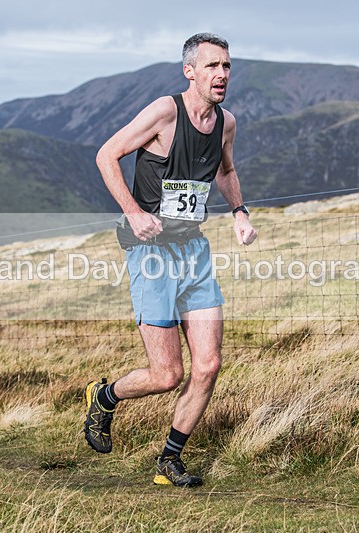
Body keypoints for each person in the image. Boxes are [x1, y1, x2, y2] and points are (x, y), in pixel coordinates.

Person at [85, 32, 257, 487]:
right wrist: (134, 212)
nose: (221, 75)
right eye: (212, 66)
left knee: (209, 364)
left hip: (193, 251)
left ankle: (169, 460)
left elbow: (226, 169)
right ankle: (104, 396)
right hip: (150, 252)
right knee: (166, 373)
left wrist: (239, 213)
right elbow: (107, 154)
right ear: (190, 71)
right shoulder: (165, 112)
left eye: (226, 67)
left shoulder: (227, 122)